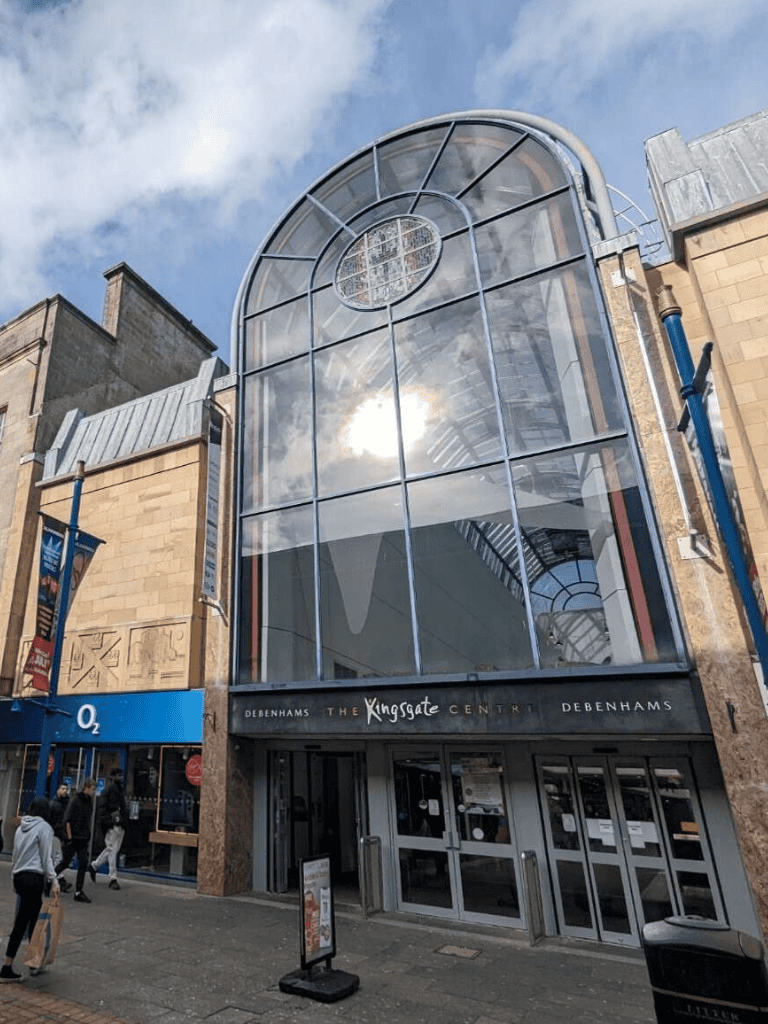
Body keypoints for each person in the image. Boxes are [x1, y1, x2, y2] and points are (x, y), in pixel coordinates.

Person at [1, 797, 60, 982]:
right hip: (34, 878)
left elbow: (15, 855)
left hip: (19, 877)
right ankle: (24, 965)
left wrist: (13, 878)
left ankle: (16, 963)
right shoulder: (45, 828)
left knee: (25, 920)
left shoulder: (20, 828)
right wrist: (54, 880)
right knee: (31, 924)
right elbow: (46, 857)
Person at [55, 778, 96, 903]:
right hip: (74, 838)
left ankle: (79, 891)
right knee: (65, 863)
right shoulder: (75, 800)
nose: (93, 792)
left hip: (83, 838)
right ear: (86, 787)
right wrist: (70, 837)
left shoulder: (89, 801)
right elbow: (67, 820)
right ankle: (49, 878)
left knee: (83, 864)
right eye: (92, 789)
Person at [90, 767, 128, 890]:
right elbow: (103, 808)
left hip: (118, 824)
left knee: (112, 850)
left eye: (120, 775)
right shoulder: (109, 790)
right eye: (117, 775)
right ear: (112, 777)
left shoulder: (116, 790)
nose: (120, 777)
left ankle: (94, 865)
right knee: (112, 851)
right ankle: (113, 878)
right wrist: (110, 822)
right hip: (113, 825)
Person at [48, 783, 72, 893]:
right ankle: (59, 881)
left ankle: (56, 881)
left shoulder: (67, 804)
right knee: (58, 858)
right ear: (57, 790)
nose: (65, 791)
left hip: (62, 835)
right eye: (62, 788)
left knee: (56, 859)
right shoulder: (53, 804)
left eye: (66, 789)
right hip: (55, 834)